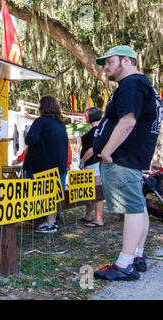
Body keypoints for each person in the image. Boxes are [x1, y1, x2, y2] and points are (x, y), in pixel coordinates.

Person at [92, 45, 162, 281]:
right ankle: (137, 255)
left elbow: (128, 121)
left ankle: (124, 265)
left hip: (122, 158)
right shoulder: (145, 86)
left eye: (110, 62)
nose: (106, 68)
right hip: (132, 158)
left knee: (132, 209)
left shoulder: (131, 85)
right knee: (138, 206)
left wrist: (107, 152)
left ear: (127, 61)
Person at [23, 95, 69, 233]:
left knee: (45, 194)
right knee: (54, 194)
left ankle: (49, 224)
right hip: (59, 165)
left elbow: (32, 140)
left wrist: (26, 135)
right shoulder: (60, 123)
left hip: (43, 166)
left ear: (42, 107)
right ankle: (52, 220)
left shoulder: (41, 121)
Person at [79, 107, 105, 227]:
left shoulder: (96, 130)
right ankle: (88, 215)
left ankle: (99, 219)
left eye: (86, 115)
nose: (85, 118)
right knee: (90, 191)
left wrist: (82, 161)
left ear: (91, 117)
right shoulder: (99, 129)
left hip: (93, 164)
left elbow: (92, 150)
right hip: (92, 164)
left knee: (97, 192)